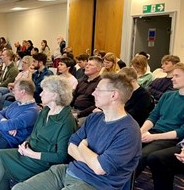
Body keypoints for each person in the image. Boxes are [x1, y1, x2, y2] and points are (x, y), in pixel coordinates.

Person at [12, 73, 141, 190]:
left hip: (96, 184)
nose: (93, 93)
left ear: (114, 95)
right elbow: (70, 148)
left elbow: (99, 169)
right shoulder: (94, 118)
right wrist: (92, 160)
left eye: (98, 90)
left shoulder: (128, 131)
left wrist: (83, 146)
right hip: (68, 171)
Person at [0, 76, 76, 190]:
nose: (40, 94)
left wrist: (31, 154)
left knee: (1, 162)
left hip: (43, 161)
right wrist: (26, 143)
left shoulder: (66, 121)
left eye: (44, 91)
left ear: (54, 95)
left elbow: (61, 157)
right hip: (30, 150)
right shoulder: (45, 110)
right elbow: (33, 133)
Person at [136, 62, 184, 179]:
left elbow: (180, 132)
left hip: (169, 138)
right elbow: (153, 116)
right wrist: (141, 131)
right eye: (173, 75)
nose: (172, 79)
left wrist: (152, 137)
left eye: (177, 76)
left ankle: (121, 185)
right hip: (154, 132)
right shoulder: (167, 95)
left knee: (142, 155)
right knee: (124, 148)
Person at [70, 56, 103, 125]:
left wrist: (79, 114)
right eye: (87, 64)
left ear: (98, 68)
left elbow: (97, 105)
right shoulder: (82, 81)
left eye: (90, 65)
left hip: (88, 114)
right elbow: (73, 97)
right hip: (74, 110)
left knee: (73, 124)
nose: (87, 67)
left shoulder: (101, 83)